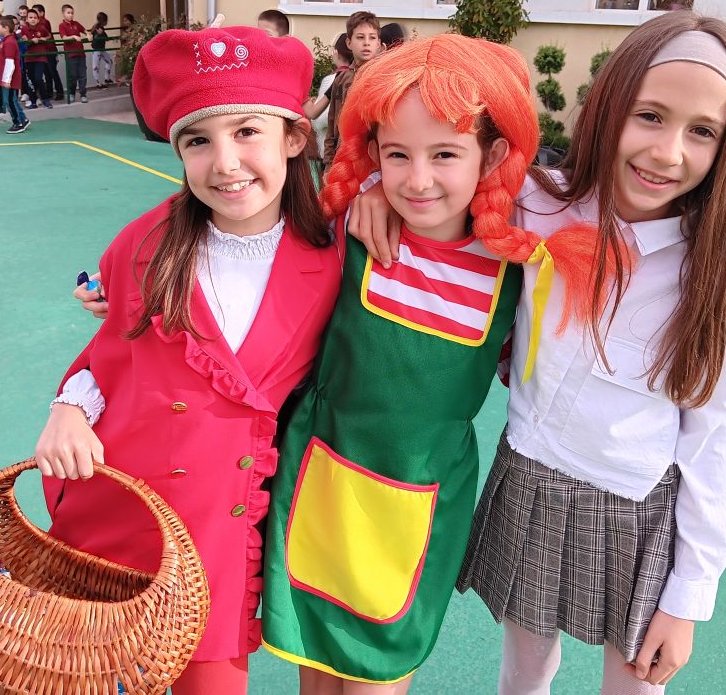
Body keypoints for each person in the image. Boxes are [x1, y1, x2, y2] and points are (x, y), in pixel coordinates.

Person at [352, 12, 726, 694]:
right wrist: (374, 193)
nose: (667, 152)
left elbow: (711, 433)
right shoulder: (535, 204)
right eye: (649, 116)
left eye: (702, 132)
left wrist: (689, 596)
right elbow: (436, 174)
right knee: (525, 670)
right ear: (608, 107)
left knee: (636, 680)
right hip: (533, 475)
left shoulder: (715, 277)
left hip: (637, 505)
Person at [260, 34, 608, 693]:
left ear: (493, 155)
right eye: (397, 155)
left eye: (445, 153)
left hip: (417, 506)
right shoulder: (349, 230)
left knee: (379, 675)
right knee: (316, 675)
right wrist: (367, 189)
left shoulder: (519, 267)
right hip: (320, 482)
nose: (417, 180)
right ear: (374, 154)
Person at [34, 25, 342, 695]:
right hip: (121, 511)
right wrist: (67, 409)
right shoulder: (145, 242)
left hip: (220, 528)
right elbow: (110, 354)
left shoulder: (338, 253)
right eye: (197, 141)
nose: (225, 162)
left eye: (247, 131)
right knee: (94, 675)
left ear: (294, 137)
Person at [323, 10, 382, 169]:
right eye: (360, 37)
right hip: (344, 160)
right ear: (349, 43)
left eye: (372, 38)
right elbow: (332, 124)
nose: (366, 43)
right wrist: (328, 164)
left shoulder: (384, 77)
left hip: (375, 162)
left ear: (378, 43)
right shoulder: (341, 79)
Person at [304, 33, 352, 161]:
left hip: (333, 151)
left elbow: (319, 120)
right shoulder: (362, 76)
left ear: (337, 53)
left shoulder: (333, 79)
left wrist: (309, 104)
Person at [0, 15, 30, 135]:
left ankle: (18, 123)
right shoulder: (6, 41)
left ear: (6, 28)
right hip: (8, 78)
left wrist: (7, 80)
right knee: (11, 100)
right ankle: (23, 120)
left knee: (9, 101)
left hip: (10, 79)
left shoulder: (9, 42)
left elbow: (10, 62)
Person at [20, 8, 53, 109]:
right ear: (27, 19)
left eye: (35, 18)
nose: (33, 19)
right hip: (29, 58)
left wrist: (43, 38)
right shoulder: (24, 29)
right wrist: (30, 40)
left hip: (40, 57)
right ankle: (33, 101)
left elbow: (49, 35)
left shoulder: (41, 28)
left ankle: (45, 99)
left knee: (38, 78)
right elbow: (23, 40)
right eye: (30, 17)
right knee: (31, 80)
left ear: (38, 19)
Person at [58, 3, 90, 103]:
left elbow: (85, 30)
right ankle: (71, 93)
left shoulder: (76, 23)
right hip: (71, 55)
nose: (71, 15)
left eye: (72, 13)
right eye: (68, 13)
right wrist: (73, 37)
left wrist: (88, 34)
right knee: (73, 76)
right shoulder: (62, 25)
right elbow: (64, 38)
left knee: (83, 75)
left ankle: (83, 94)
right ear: (63, 13)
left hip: (81, 53)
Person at [33, 3, 65, 101]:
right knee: (46, 72)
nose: (33, 15)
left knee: (52, 71)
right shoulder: (38, 23)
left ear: (41, 13)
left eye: (36, 12)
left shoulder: (44, 22)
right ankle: (49, 92)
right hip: (44, 50)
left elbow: (42, 34)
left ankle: (59, 92)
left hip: (50, 50)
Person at [91, 11, 113, 87]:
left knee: (109, 61)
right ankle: (98, 83)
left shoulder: (99, 28)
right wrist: (101, 35)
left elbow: (106, 38)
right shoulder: (97, 28)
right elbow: (106, 38)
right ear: (103, 21)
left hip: (101, 49)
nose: (107, 22)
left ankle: (107, 78)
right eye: (106, 20)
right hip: (96, 50)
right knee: (96, 66)